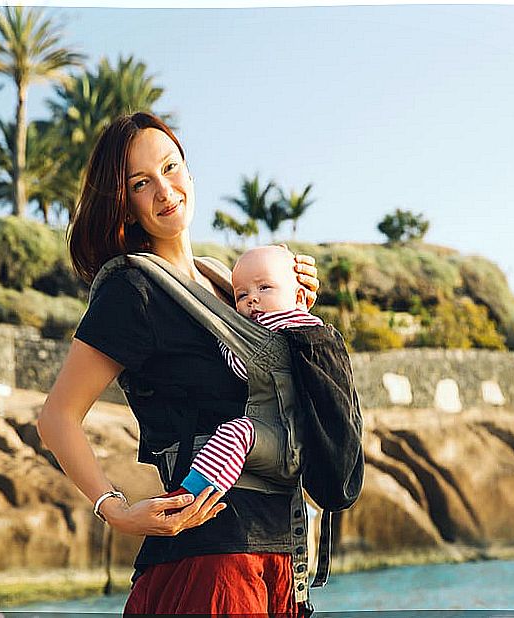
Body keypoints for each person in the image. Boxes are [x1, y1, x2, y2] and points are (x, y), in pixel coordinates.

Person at [36, 111, 320, 616]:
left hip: (281, 558)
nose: (165, 191)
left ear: (189, 172)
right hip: (210, 566)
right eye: (142, 183)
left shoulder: (228, 284)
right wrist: (118, 511)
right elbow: (57, 417)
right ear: (124, 205)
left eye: (170, 168)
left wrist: (294, 308)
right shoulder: (133, 290)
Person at [171, 244, 324, 499]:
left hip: (286, 441)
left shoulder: (276, 325)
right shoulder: (307, 325)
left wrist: (225, 337)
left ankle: (193, 493)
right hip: (295, 440)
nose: (252, 299)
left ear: (299, 297)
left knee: (237, 433)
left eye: (264, 288)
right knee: (239, 434)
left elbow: (242, 368)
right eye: (241, 295)